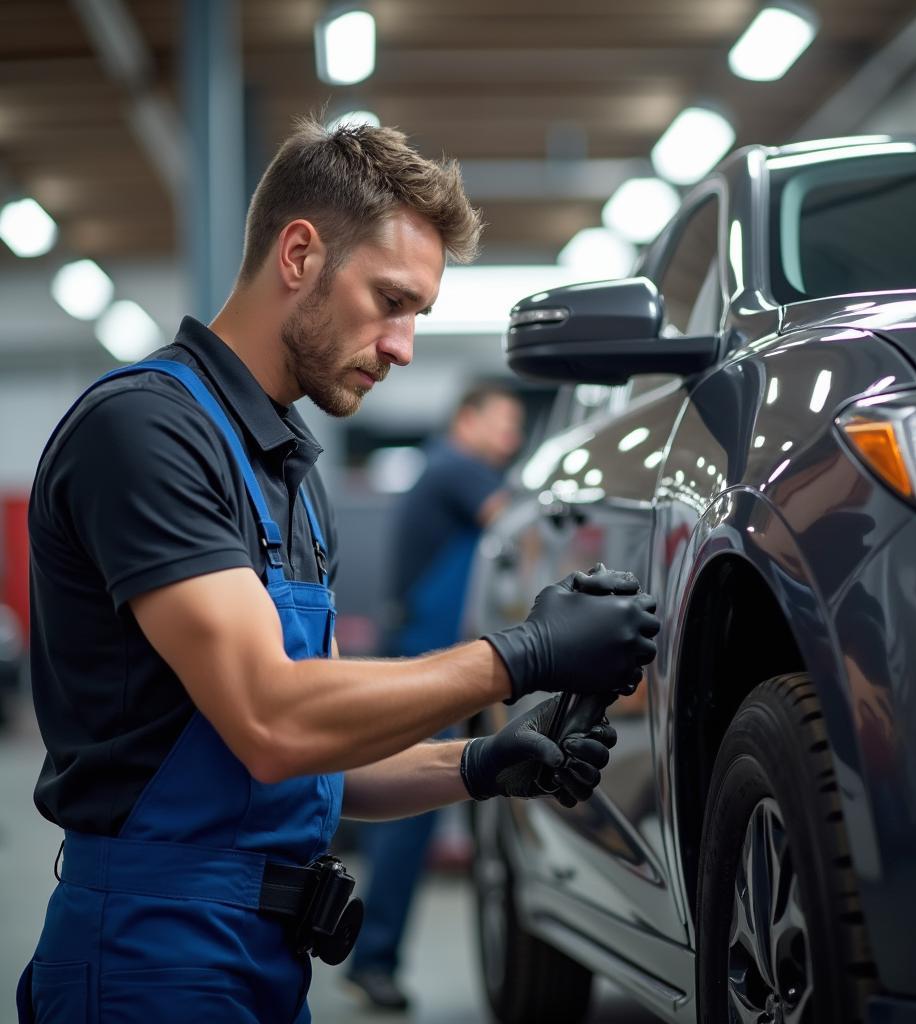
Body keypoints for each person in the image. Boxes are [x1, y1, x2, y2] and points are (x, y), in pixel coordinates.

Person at [17, 118, 660, 1024]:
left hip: (265, 955)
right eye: (390, 300)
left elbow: (305, 766)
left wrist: (476, 763)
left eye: (417, 316)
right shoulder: (147, 433)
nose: (402, 346)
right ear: (300, 253)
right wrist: (523, 655)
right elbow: (274, 720)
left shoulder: (287, 471)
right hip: (152, 951)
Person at [348, 386, 524, 1010]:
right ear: (466, 419)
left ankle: (371, 954)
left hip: (437, 649)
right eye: (503, 422)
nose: (510, 438)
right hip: (428, 656)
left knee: (417, 809)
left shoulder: (447, 471)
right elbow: (516, 524)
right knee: (406, 813)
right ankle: (372, 959)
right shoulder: (457, 469)